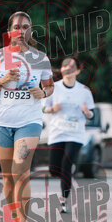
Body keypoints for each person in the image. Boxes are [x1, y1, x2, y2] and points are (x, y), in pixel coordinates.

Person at [0, 11, 54, 222]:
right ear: (9, 31)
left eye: (25, 27)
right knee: (8, 177)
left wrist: (43, 93)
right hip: (1, 123)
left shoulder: (40, 58)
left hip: (29, 122)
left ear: (30, 30)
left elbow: (50, 86)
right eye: (17, 27)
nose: (21, 31)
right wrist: (2, 81)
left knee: (20, 171)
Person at [43, 57, 95, 213]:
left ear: (78, 71)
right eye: (65, 67)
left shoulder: (84, 91)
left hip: (75, 134)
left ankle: (64, 199)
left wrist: (87, 112)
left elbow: (91, 114)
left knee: (66, 164)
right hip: (57, 132)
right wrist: (52, 109)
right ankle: (66, 175)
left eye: (72, 68)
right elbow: (43, 108)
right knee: (54, 169)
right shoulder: (54, 88)